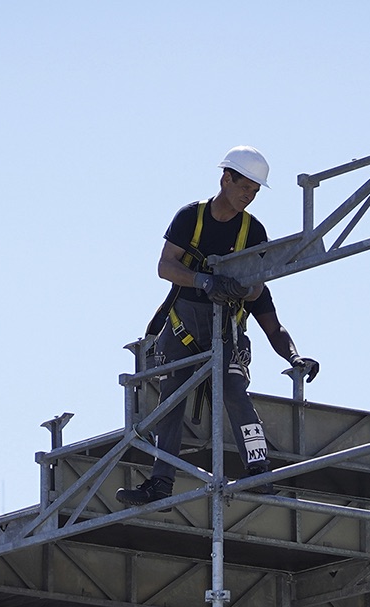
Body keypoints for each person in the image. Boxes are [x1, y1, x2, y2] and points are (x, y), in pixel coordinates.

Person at [117, 146, 320, 507]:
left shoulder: (252, 232)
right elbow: (166, 266)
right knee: (171, 401)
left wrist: (295, 357)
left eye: (256, 191)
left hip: (226, 334)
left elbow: (273, 324)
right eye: (245, 187)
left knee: (235, 393)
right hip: (182, 327)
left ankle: (259, 471)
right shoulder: (191, 218)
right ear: (226, 178)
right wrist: (205, 282)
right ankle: (160, 483)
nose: (249, 196)